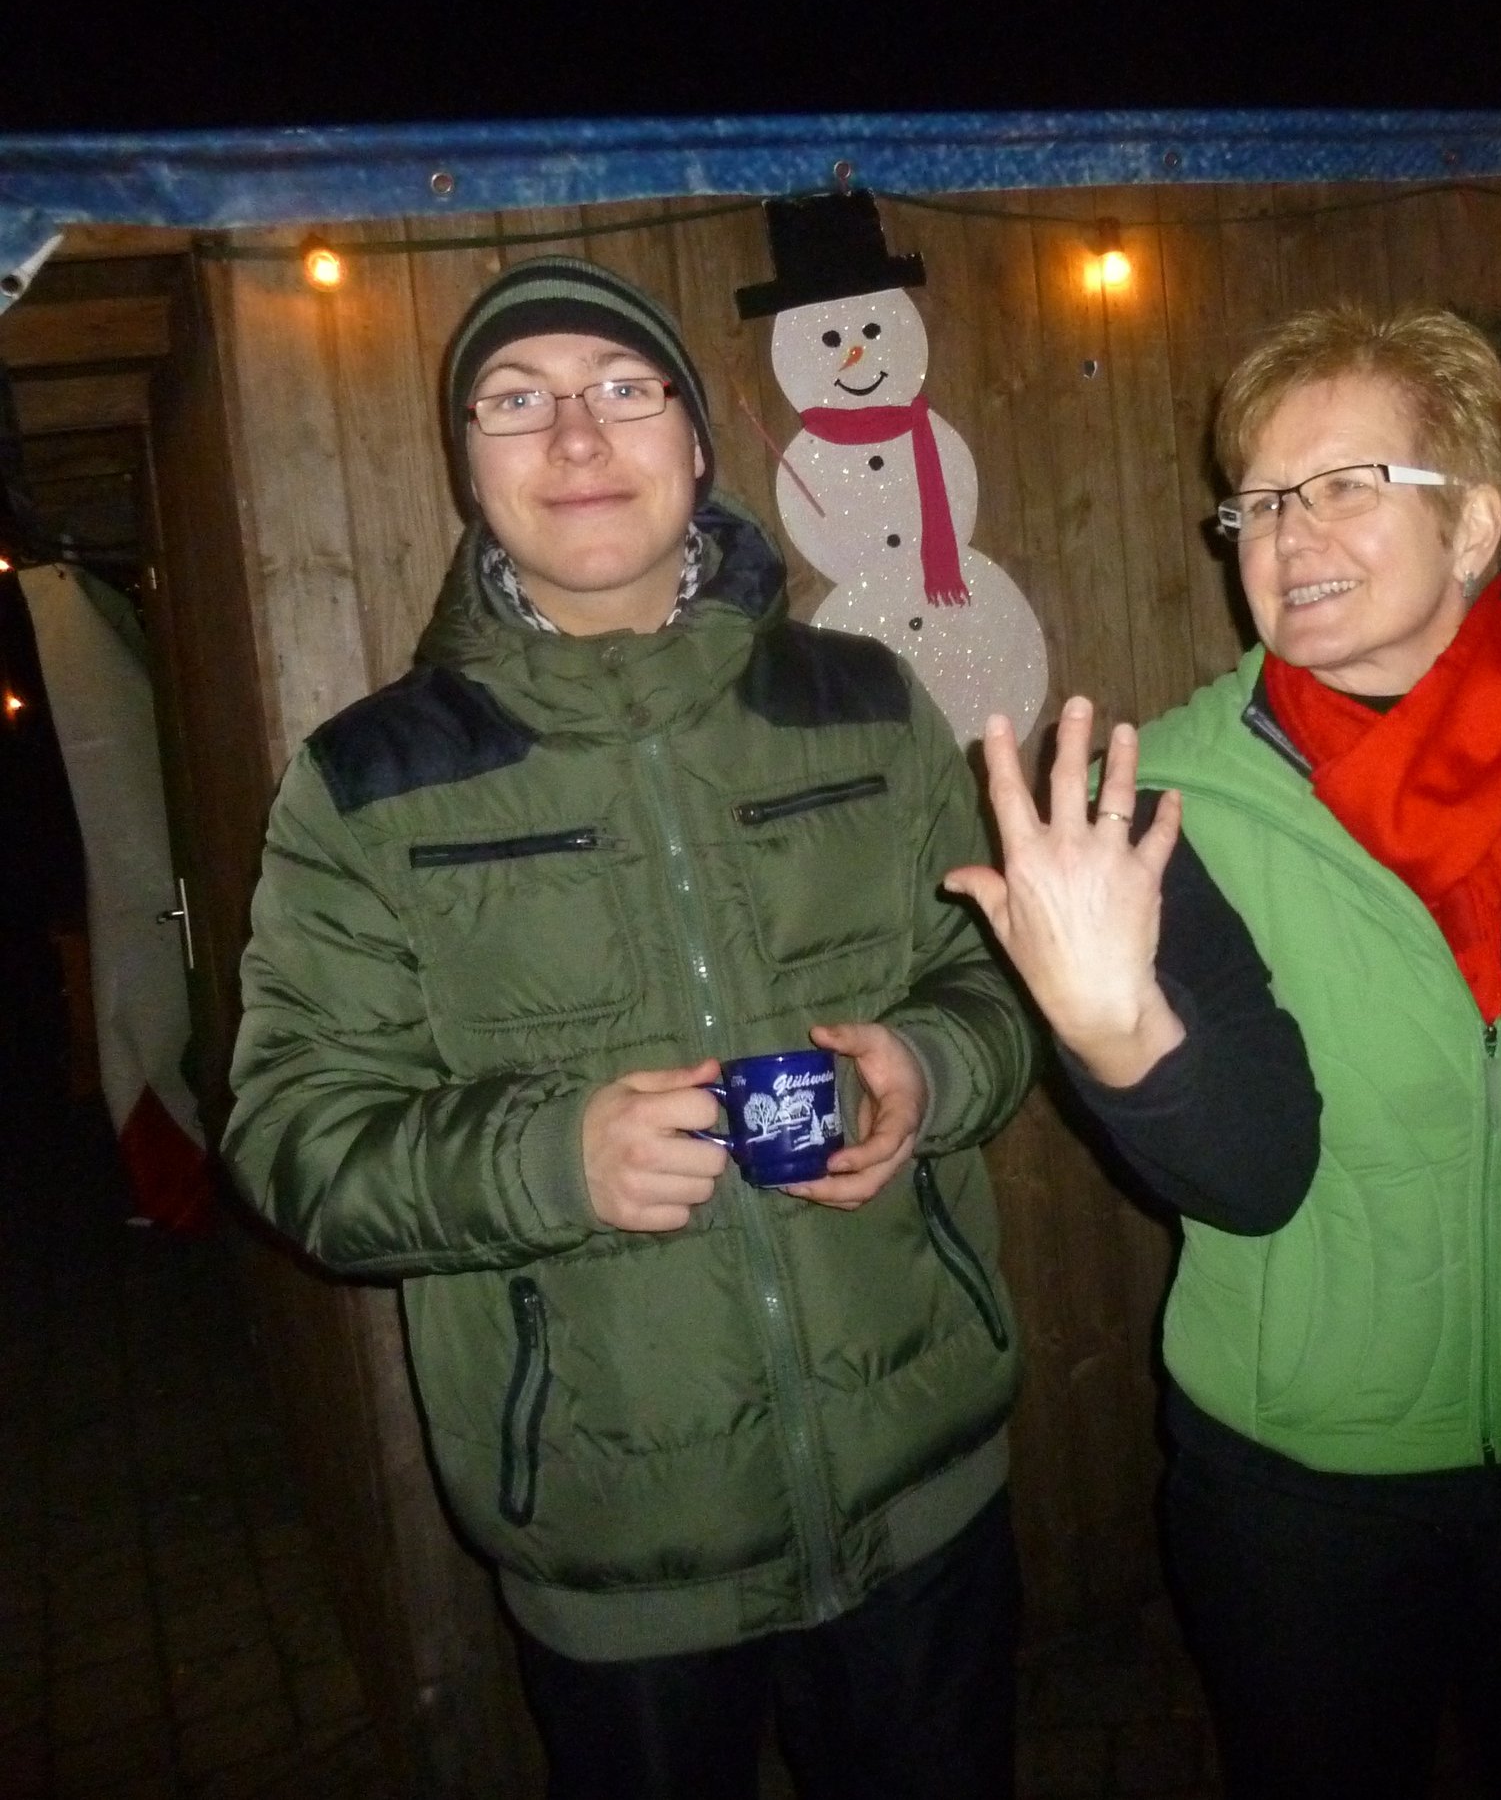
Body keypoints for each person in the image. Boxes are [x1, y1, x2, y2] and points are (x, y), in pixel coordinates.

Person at [945, 306, 1501, 1798]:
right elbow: (1253, 1175)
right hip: (1306, 1489)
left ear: (1474, 521)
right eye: (1256, 504)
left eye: (1342, 487)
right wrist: (1114, 1027)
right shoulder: (1173, 804)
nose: (1285, 536)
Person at [223, 257, 1034, 1800]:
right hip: (615, 1555)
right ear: (467, 470)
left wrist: (932, 1069)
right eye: (516, 401)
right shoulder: (365, 782)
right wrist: (549, 1158)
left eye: (622, 388)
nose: (578, 436)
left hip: (925, 1488)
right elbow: (292, 1135)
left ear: (699, 443)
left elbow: (992, 977)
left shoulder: (866, 700)